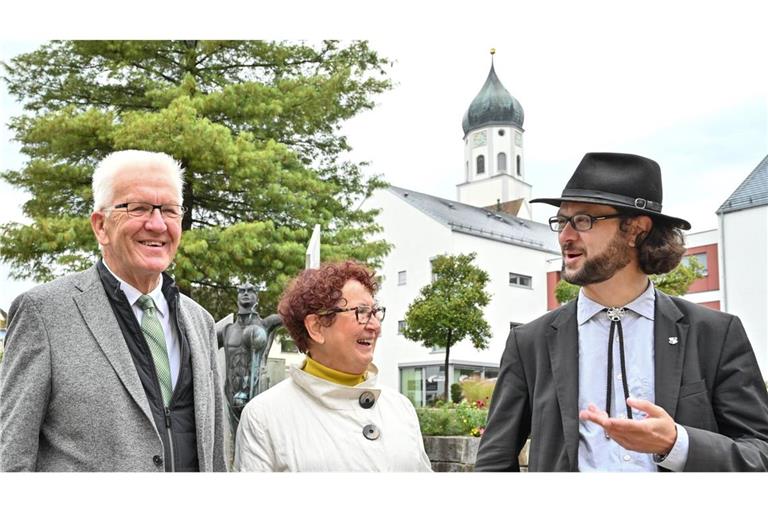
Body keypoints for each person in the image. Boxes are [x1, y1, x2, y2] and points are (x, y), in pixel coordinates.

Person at [475, 152, 768, 472]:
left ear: (635, 230)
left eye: (583, 220)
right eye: (561, 221)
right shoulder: (529, 342)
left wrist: (676, 444)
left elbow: (760, 453)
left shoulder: (714, 334)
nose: (565, 236)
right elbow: (494, 463)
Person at [0, 150, 226, 472]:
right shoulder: (44, 314)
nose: (158, 224)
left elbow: (214, 456)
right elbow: (10, 461)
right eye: (139, 208)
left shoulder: (199, 322)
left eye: (171, 211)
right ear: (101, 226)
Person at [234, 260, 432, 471]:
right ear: (317, 327)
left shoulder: (401, 409)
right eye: (362, 312)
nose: (375, 326)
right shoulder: (264, 417)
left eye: (375, 312)